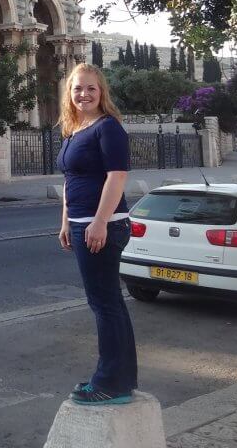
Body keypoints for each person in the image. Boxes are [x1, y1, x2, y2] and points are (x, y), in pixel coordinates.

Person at [56, 63, 137, 405]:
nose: (84, 94)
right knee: (110, 303)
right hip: (82, 223)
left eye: (91, 88)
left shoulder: (108, 128)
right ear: (69, 94)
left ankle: (109, 383)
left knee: (104, 304)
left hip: (103, 224)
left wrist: (101, 221)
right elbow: (70, 182)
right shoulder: (75, 130)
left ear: (101, 92)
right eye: (77, 89)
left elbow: (116, 177)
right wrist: (65, 220)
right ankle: (120, 379)